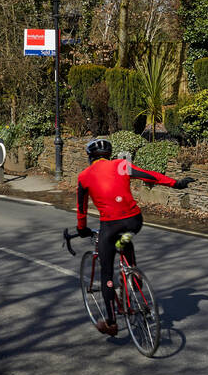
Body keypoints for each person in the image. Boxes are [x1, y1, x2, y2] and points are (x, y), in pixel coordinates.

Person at [74, 137, 192, 336]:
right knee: (125, 240)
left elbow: (81, 208)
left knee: (106, 274)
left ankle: (111, 321)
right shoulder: (120, 165)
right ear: (109, 155)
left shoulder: (84, 176)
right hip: (134, 223)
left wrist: (81, 229)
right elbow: (149, 175)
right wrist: (176, 184)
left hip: (110, 227)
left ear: (90, 157)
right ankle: (133, 277)